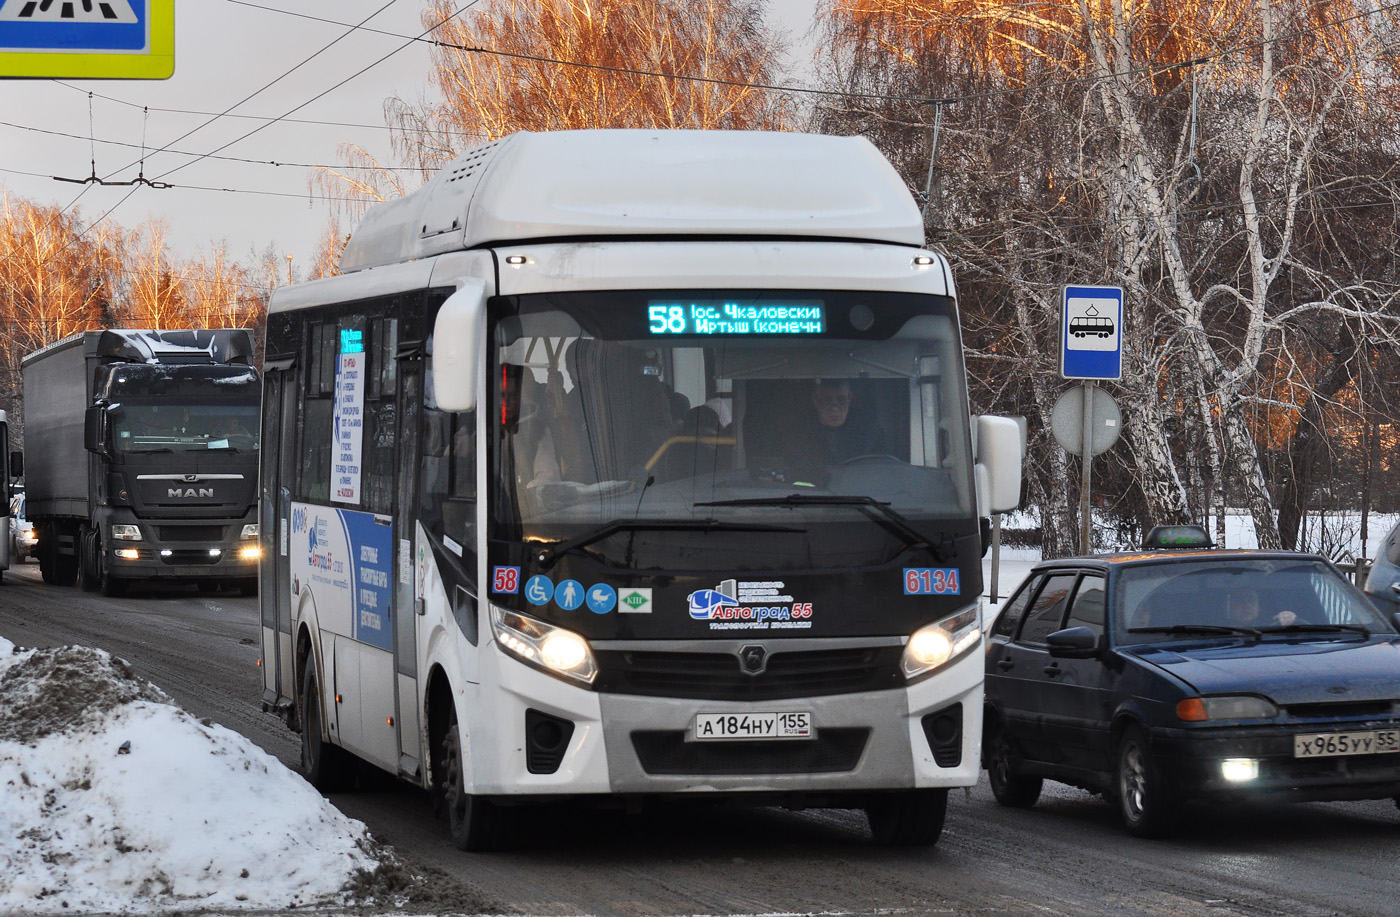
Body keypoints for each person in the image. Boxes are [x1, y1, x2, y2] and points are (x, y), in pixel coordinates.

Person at [1223, 589, 1297, 627]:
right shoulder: (1214, 633)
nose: (1247, 605)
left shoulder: (1273, 628)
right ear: (1227, 606)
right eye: (1239, 600)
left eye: (1251, 599)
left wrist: (1290, 621)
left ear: (1259, 607)